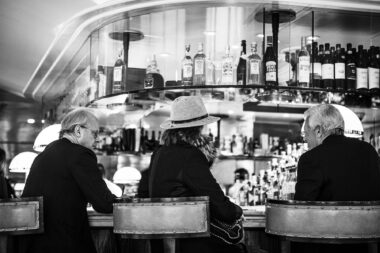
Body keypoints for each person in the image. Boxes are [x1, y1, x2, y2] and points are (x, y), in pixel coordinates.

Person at [141, 96, 244, 253]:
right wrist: (237, 211)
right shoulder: (190, 155)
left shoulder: (159, 153)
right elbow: (219, 204)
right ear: (199, 128)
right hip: (190, 242)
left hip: (163, 244)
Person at [18, 108, 116, 253]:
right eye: (95, 133)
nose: (97, 139)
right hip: (63, 243)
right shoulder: (81, 154)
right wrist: (123, 202)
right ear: (78, 130)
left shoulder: (45, 154)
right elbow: (104, 203)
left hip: (33, 244)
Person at [293, 104, 380, 253]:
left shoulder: (311, 158)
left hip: (327, 246)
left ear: (318, 131)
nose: (306, 139)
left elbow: (301, 210)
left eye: (306, 133)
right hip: (367, 246)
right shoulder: (369, 151)